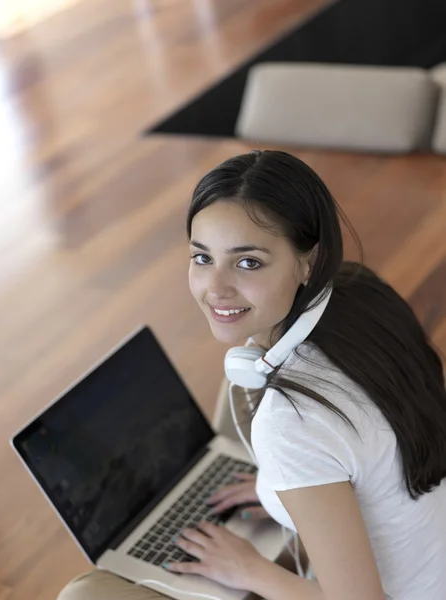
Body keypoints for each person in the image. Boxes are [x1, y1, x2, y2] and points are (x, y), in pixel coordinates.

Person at [58, 150, 446, 600]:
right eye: (202, 258)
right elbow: (367, 448)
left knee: (85, 594)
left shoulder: (290, 424)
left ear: (308, 261)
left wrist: (250, 570)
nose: (216, 288)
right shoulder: (362, 294)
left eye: (248, 262)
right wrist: (283, 492)